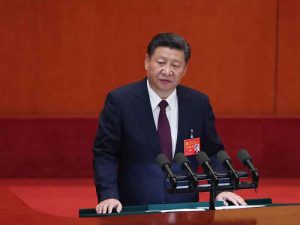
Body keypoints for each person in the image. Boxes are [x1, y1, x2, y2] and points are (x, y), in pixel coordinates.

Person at [93, 32, 246, 214]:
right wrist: (109, 194)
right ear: (147, 62)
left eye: (175, 65)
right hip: (135, 210)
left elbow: (213, 152)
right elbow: (105, 154)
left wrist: (223, 189)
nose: (167, 71)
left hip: (186, 210)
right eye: (160, 62)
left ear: (185, 70)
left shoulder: (198, 104)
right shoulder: (120, 101)